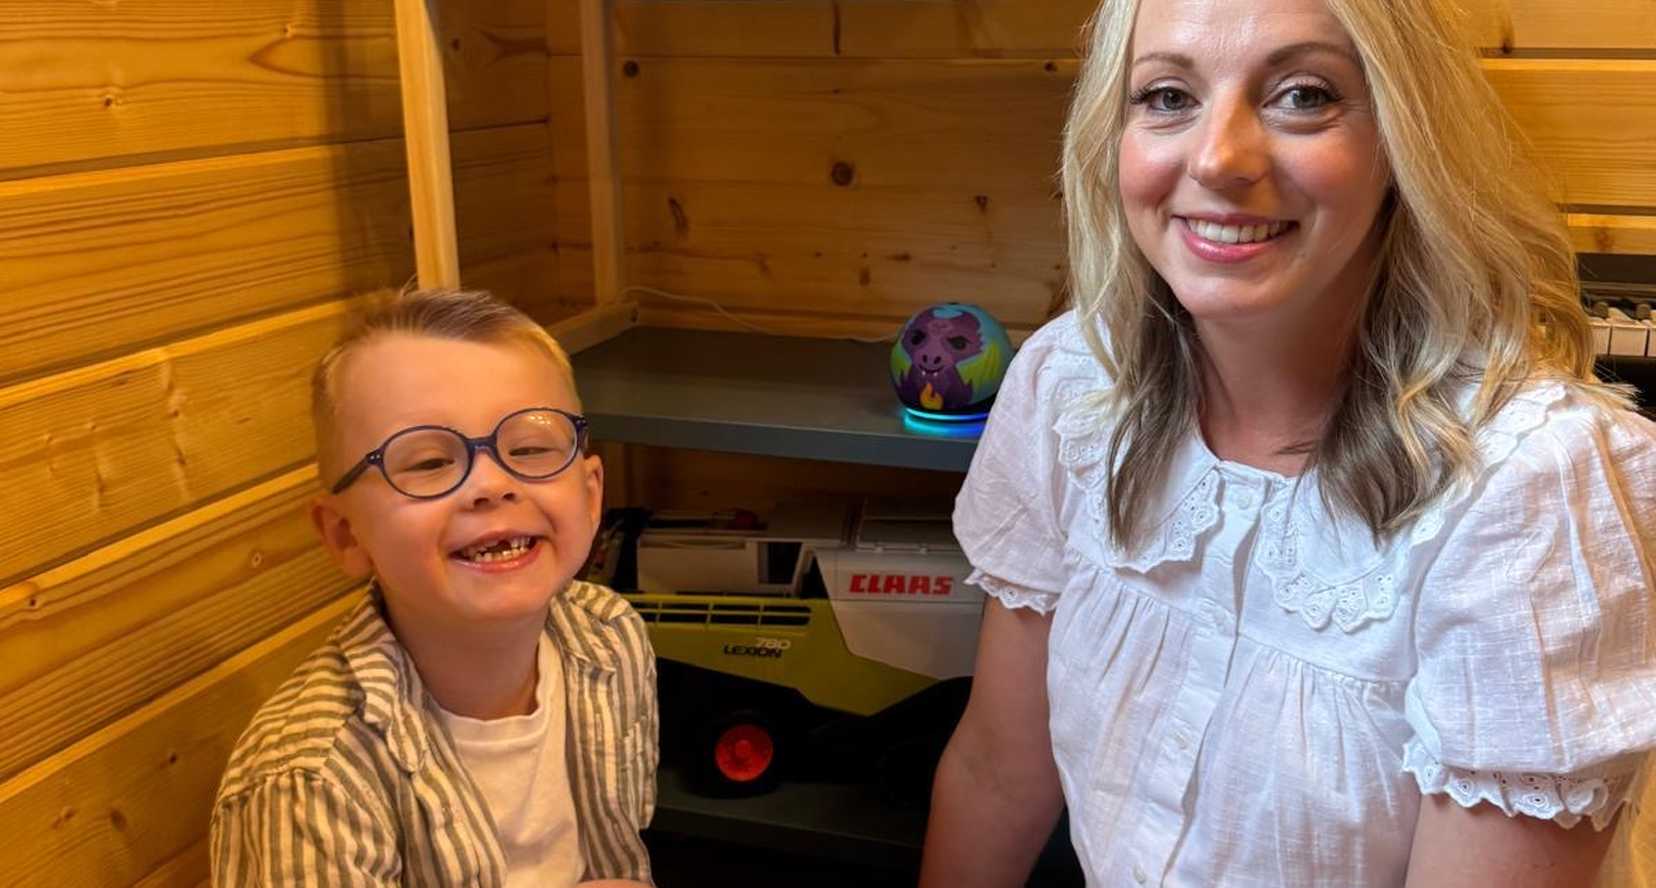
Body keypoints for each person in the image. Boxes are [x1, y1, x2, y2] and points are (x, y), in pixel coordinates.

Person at [920, 0, 1656, 885]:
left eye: (1303, 95)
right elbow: (996, 773)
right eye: (1165, 96)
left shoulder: (1537, 484)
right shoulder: (1072, 385)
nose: (1220, 158)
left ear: (1401, 141)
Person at [210, 289, 657, 887]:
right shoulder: (311, 779)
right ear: (346, 535)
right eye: (426, 463)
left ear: (592, 492)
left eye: (528, 448)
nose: (492, 485)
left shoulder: (611, 637)